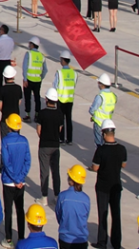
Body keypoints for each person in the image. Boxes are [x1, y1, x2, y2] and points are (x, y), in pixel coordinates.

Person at [92, 119, 128, 249]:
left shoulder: (101, 150)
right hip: (116, 186)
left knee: (103, 214)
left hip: (103, 187)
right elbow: (123, 165)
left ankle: (102, 242)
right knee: (116, 214)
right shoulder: (122, 149)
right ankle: (116, 242)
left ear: (103, 134)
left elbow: (95, 167)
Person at [1, 114, 31, 247]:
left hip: (9, 181)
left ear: (9, 126)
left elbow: (6, 163)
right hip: (20, 183)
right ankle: (21, 237)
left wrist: (15, 178)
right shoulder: (24, 141)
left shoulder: (5, 141)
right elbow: (27, 161)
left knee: (8, 210)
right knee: (20, 209)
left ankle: (8, 238)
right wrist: (20, 178)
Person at [36, 88, 63, 205]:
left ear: (46, 99)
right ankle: (57, 195)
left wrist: (44, 137)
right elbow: (60, 129)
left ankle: (44, 197)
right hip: (55, 145)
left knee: (44, 171)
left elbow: (39, 130)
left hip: (44, 145)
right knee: (55, 171)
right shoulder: (60, 114)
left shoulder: (42, 113)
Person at [56, 165, 91, 249]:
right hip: (81, 240)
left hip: (65, 238)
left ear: (70, 180)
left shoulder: (62, 196)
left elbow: (59, 215)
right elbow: (85, 217)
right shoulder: (86, 199)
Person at [54, 52, 77, 143]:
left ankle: (61, 138)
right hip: (70, 99)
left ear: (63, 60)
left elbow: (55, 86)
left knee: (61, 120)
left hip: (61, 99)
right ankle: (69, 139)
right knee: (68, 119)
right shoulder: (74, 73)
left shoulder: (59, 73)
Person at [22, 37, 47, 122]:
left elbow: (25, 67)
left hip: (29, 79)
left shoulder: (28, 54)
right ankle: (37, 115)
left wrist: (25, 79)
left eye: (30, 43)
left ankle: (28, 115)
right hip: (37, 80)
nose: (29, 45)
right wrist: (41, 77)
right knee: (37, 98)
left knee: (27, 97)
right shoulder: (41, 56)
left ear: (32, 45)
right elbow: (45, 70)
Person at [0, 67, 23, 144]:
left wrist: (5, 110)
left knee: (5, 142)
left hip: (5, 118)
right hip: (16, 118)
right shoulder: (18, 88)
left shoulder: (2, 89)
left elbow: (0, 105)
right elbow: (19, 102)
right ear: (13, 76)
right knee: (15, 141)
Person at [91, 74, 118, 146]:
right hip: (108, 123)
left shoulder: (100, 96)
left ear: (102, 85)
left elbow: (92, 110)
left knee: (98, 143)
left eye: (99, 83)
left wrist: (93, 116)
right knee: (107, 143)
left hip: (99, 123)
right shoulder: (113, 96)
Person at [0, 26, 14, 96]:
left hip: (0, 61)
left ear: (2, 31)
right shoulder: (11, 40)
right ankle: (8, 96)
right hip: (7, 61)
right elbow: (11, 50)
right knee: (8, 79)